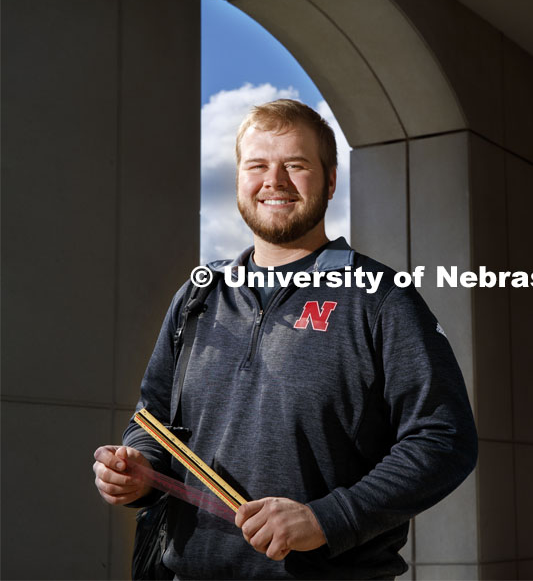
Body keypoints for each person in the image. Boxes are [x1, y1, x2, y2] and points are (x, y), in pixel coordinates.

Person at [92, 99, 478, 579]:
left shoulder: (379, 297)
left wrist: (327, 519)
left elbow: (445, 438)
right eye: (257, 165)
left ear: (330, 180)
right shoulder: (199, 294)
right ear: (239, 179)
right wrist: (139, 469)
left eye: (295, 165)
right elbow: (151, 421)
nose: (274, 181)